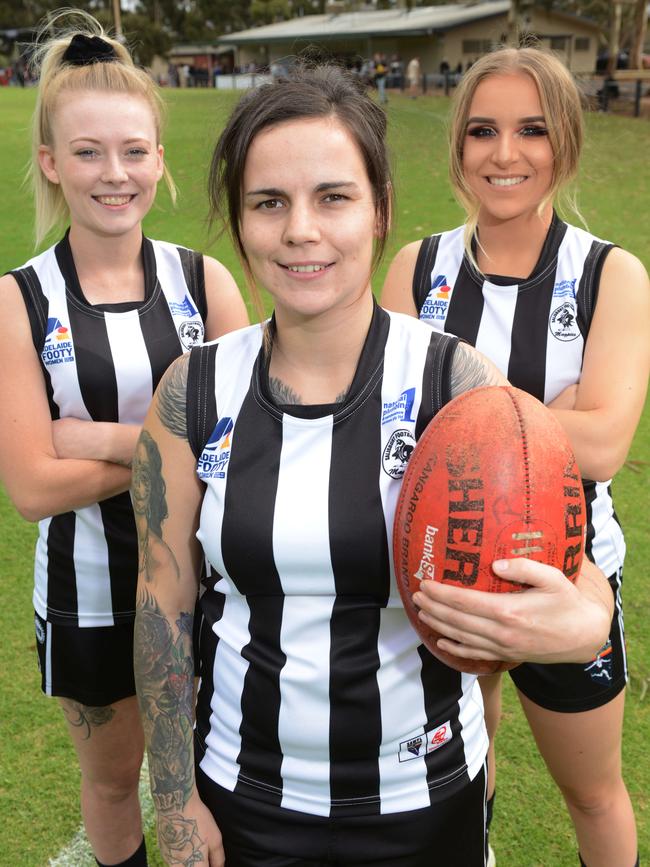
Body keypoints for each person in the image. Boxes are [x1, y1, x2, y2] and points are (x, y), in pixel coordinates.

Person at [132, 64, 615, 867]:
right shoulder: (194, 389)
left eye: (333, 197)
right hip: (244, 797)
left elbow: (575, 567)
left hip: (424, 798)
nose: (300, 231)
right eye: (269, 203)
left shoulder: (457, 383)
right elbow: (162, 602)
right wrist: (177, 798)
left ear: (380, 209)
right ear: (240, 220)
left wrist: (584, 620)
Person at [381, 47, 649, 867]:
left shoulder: (610, 274)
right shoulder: (417, 268)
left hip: (569, 577)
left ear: (564, 143)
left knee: (593, 791)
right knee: (464, 772)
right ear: (458, 147)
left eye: (531, 130)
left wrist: (475, 420)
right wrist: (546, 419)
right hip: (444, 565)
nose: (505, 154)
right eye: (482, 132)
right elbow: (384, 427)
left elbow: (605, 442)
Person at [0, 12, 248, 867]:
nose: (116, 173)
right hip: (89, 593)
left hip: (216, 581)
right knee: (114, 784)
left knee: (219, 775)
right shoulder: (17, 301)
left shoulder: (202, 281)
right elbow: (32, 487)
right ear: (51, 163)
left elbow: (246, 441)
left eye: (135, 150)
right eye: (89, 152)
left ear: (159, 159)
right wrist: (173, 442)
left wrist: (93, 437)